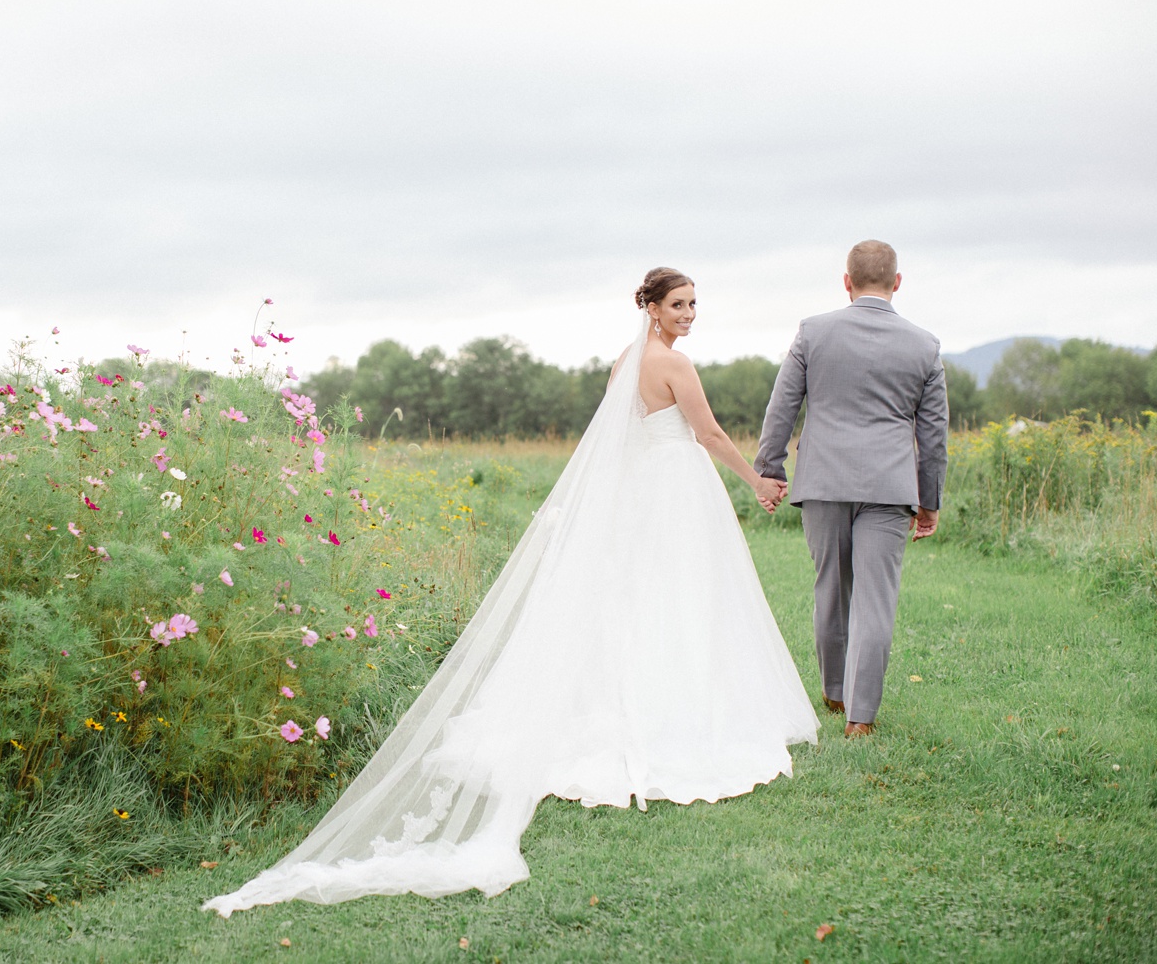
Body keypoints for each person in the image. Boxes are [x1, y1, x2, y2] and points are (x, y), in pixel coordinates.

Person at [202, 268, 819, 918]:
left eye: (694, 304)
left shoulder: (622, 364)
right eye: (679, 305)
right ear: (652, 308)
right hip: (673, 491)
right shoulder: (674, 364)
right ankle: (673, 713)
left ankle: (635, 698)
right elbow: (710, 434)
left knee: (638, 603)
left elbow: (619, 442)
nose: (690, 314)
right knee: (680, 600)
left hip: (640, 494)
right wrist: (755, 482)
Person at [754, 240, 949, 738]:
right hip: (889, 486)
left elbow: (782, 408)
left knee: (831, 589)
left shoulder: (813, 332)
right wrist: (929, 503)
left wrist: (769, 468)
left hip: (822, 480)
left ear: (847, 281)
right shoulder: (924, 345)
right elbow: (933, 437)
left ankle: (835, 693)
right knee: (876, 601)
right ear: (897, 283)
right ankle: (861, 718)